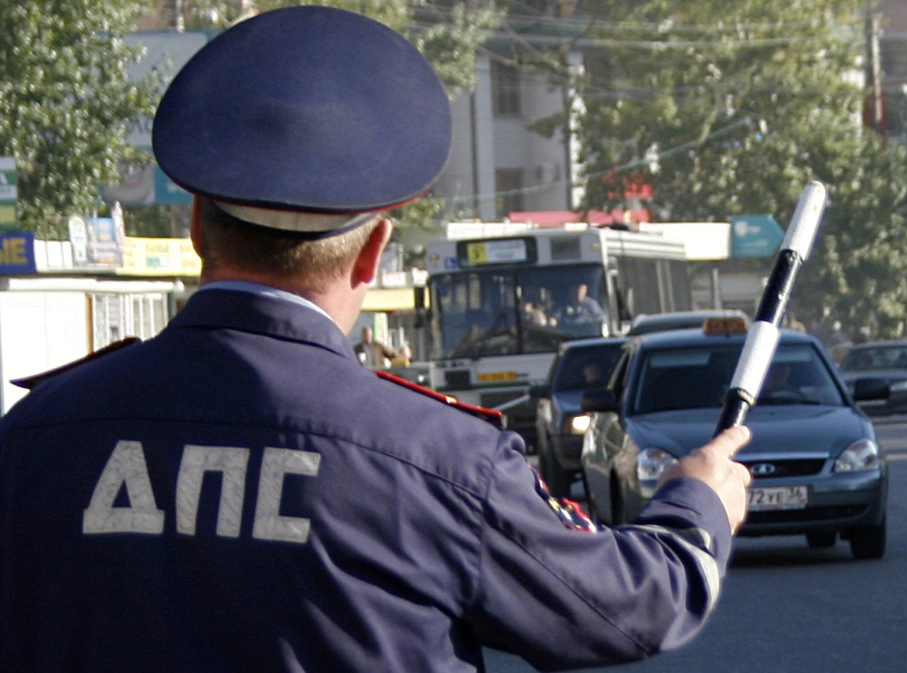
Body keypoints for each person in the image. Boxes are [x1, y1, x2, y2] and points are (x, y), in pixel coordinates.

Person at [0, 7, 752, 673]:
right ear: (372, 251)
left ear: (196, 226)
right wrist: (697, 504)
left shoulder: (33, 438)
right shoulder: (442, 461)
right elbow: (631, 608)